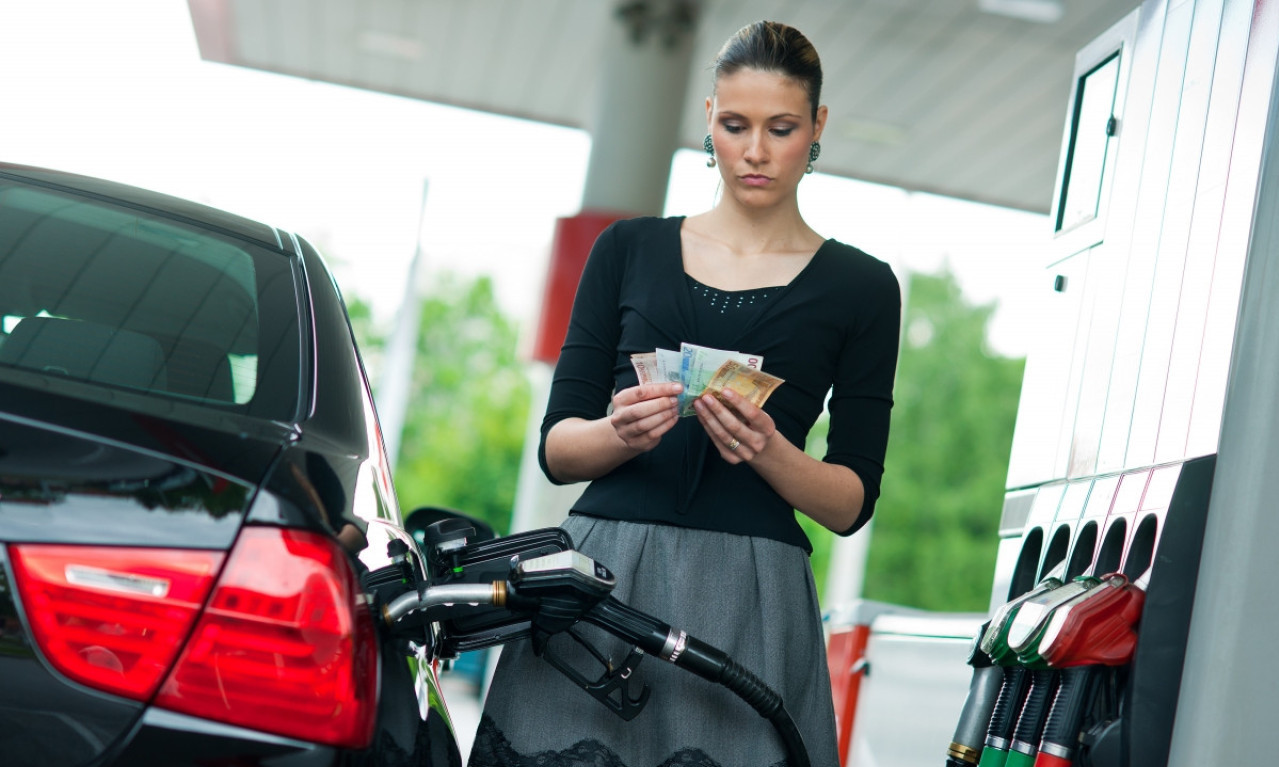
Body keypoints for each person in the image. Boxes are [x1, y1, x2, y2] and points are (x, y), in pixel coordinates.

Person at [469, 20, 900, 767]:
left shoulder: (861, 286)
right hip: (604, 583)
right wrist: (619, 432)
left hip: (752, 600)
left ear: (817, 126)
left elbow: (848, 500)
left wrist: (769, 451)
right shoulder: (626, 249)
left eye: (781, 128)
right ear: (707, 119)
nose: (755, 152)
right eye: (734, 125)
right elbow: (557, 449)